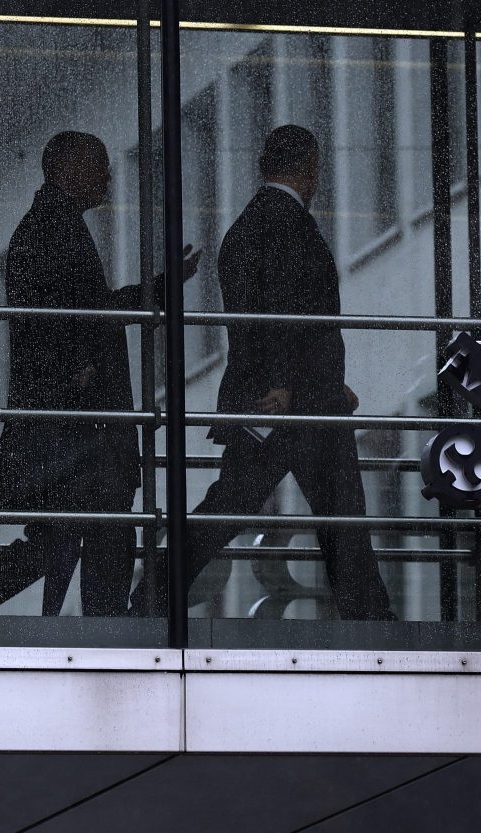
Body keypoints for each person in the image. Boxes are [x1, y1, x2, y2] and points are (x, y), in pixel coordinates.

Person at [0, 131, 200, 616]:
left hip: (69, 422)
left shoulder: (49, 225)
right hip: (79, 423)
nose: (107, 177)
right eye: (98, 165)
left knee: (66, 534)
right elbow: (74, 318)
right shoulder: (52, 229)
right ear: (69, 169)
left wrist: (156, 290)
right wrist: (79, 367)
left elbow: (80, 314)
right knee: (99, 529)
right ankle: (103, 627)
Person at [131, 125, 394, 620]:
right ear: (310, 167)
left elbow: (269, 316)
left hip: (283, 396)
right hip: (293, 402)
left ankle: (155, 591)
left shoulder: (248, 226)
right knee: (337, 512)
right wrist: (294, 385)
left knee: (238, 503)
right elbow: (284, 315)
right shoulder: (285, 223)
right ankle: (373, 622)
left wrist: (318, 383)